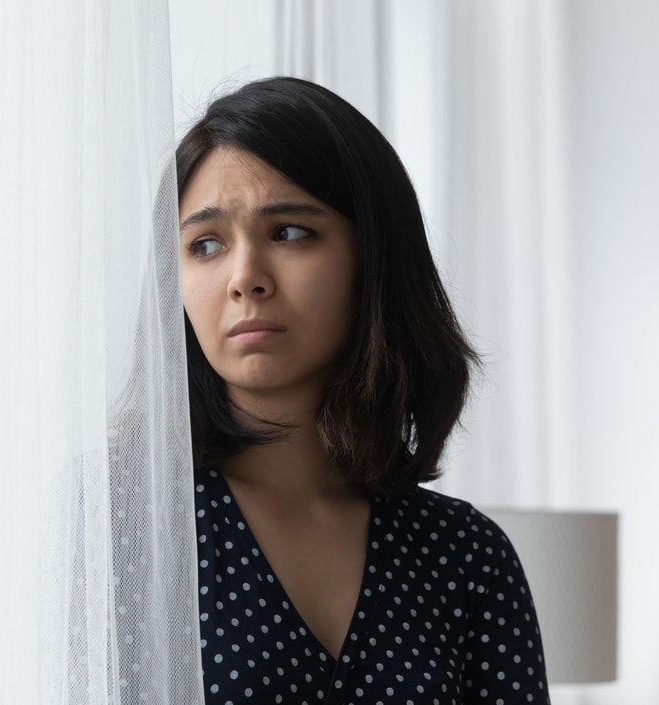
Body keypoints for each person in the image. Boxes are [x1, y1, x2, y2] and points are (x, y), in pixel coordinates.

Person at [178, 76, 550, 704]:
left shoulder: (465, 557)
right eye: (205, 244)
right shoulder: (131, 530)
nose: (244, 278)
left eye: (289, 232)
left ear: (374, 255)